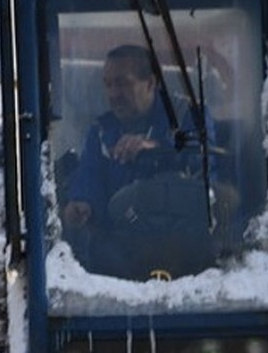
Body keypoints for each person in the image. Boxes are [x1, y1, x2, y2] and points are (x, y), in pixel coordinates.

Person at [61, 44, 223, 279]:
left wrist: (158, 149)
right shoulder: (101, 132)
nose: (113, 93)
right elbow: (89, 175)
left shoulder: (189, 117)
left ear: (151, 82)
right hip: (123, 254)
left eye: (122, 83)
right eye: (108, 84)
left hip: (186, 250)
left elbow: (205, 164)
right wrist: (82, 203)